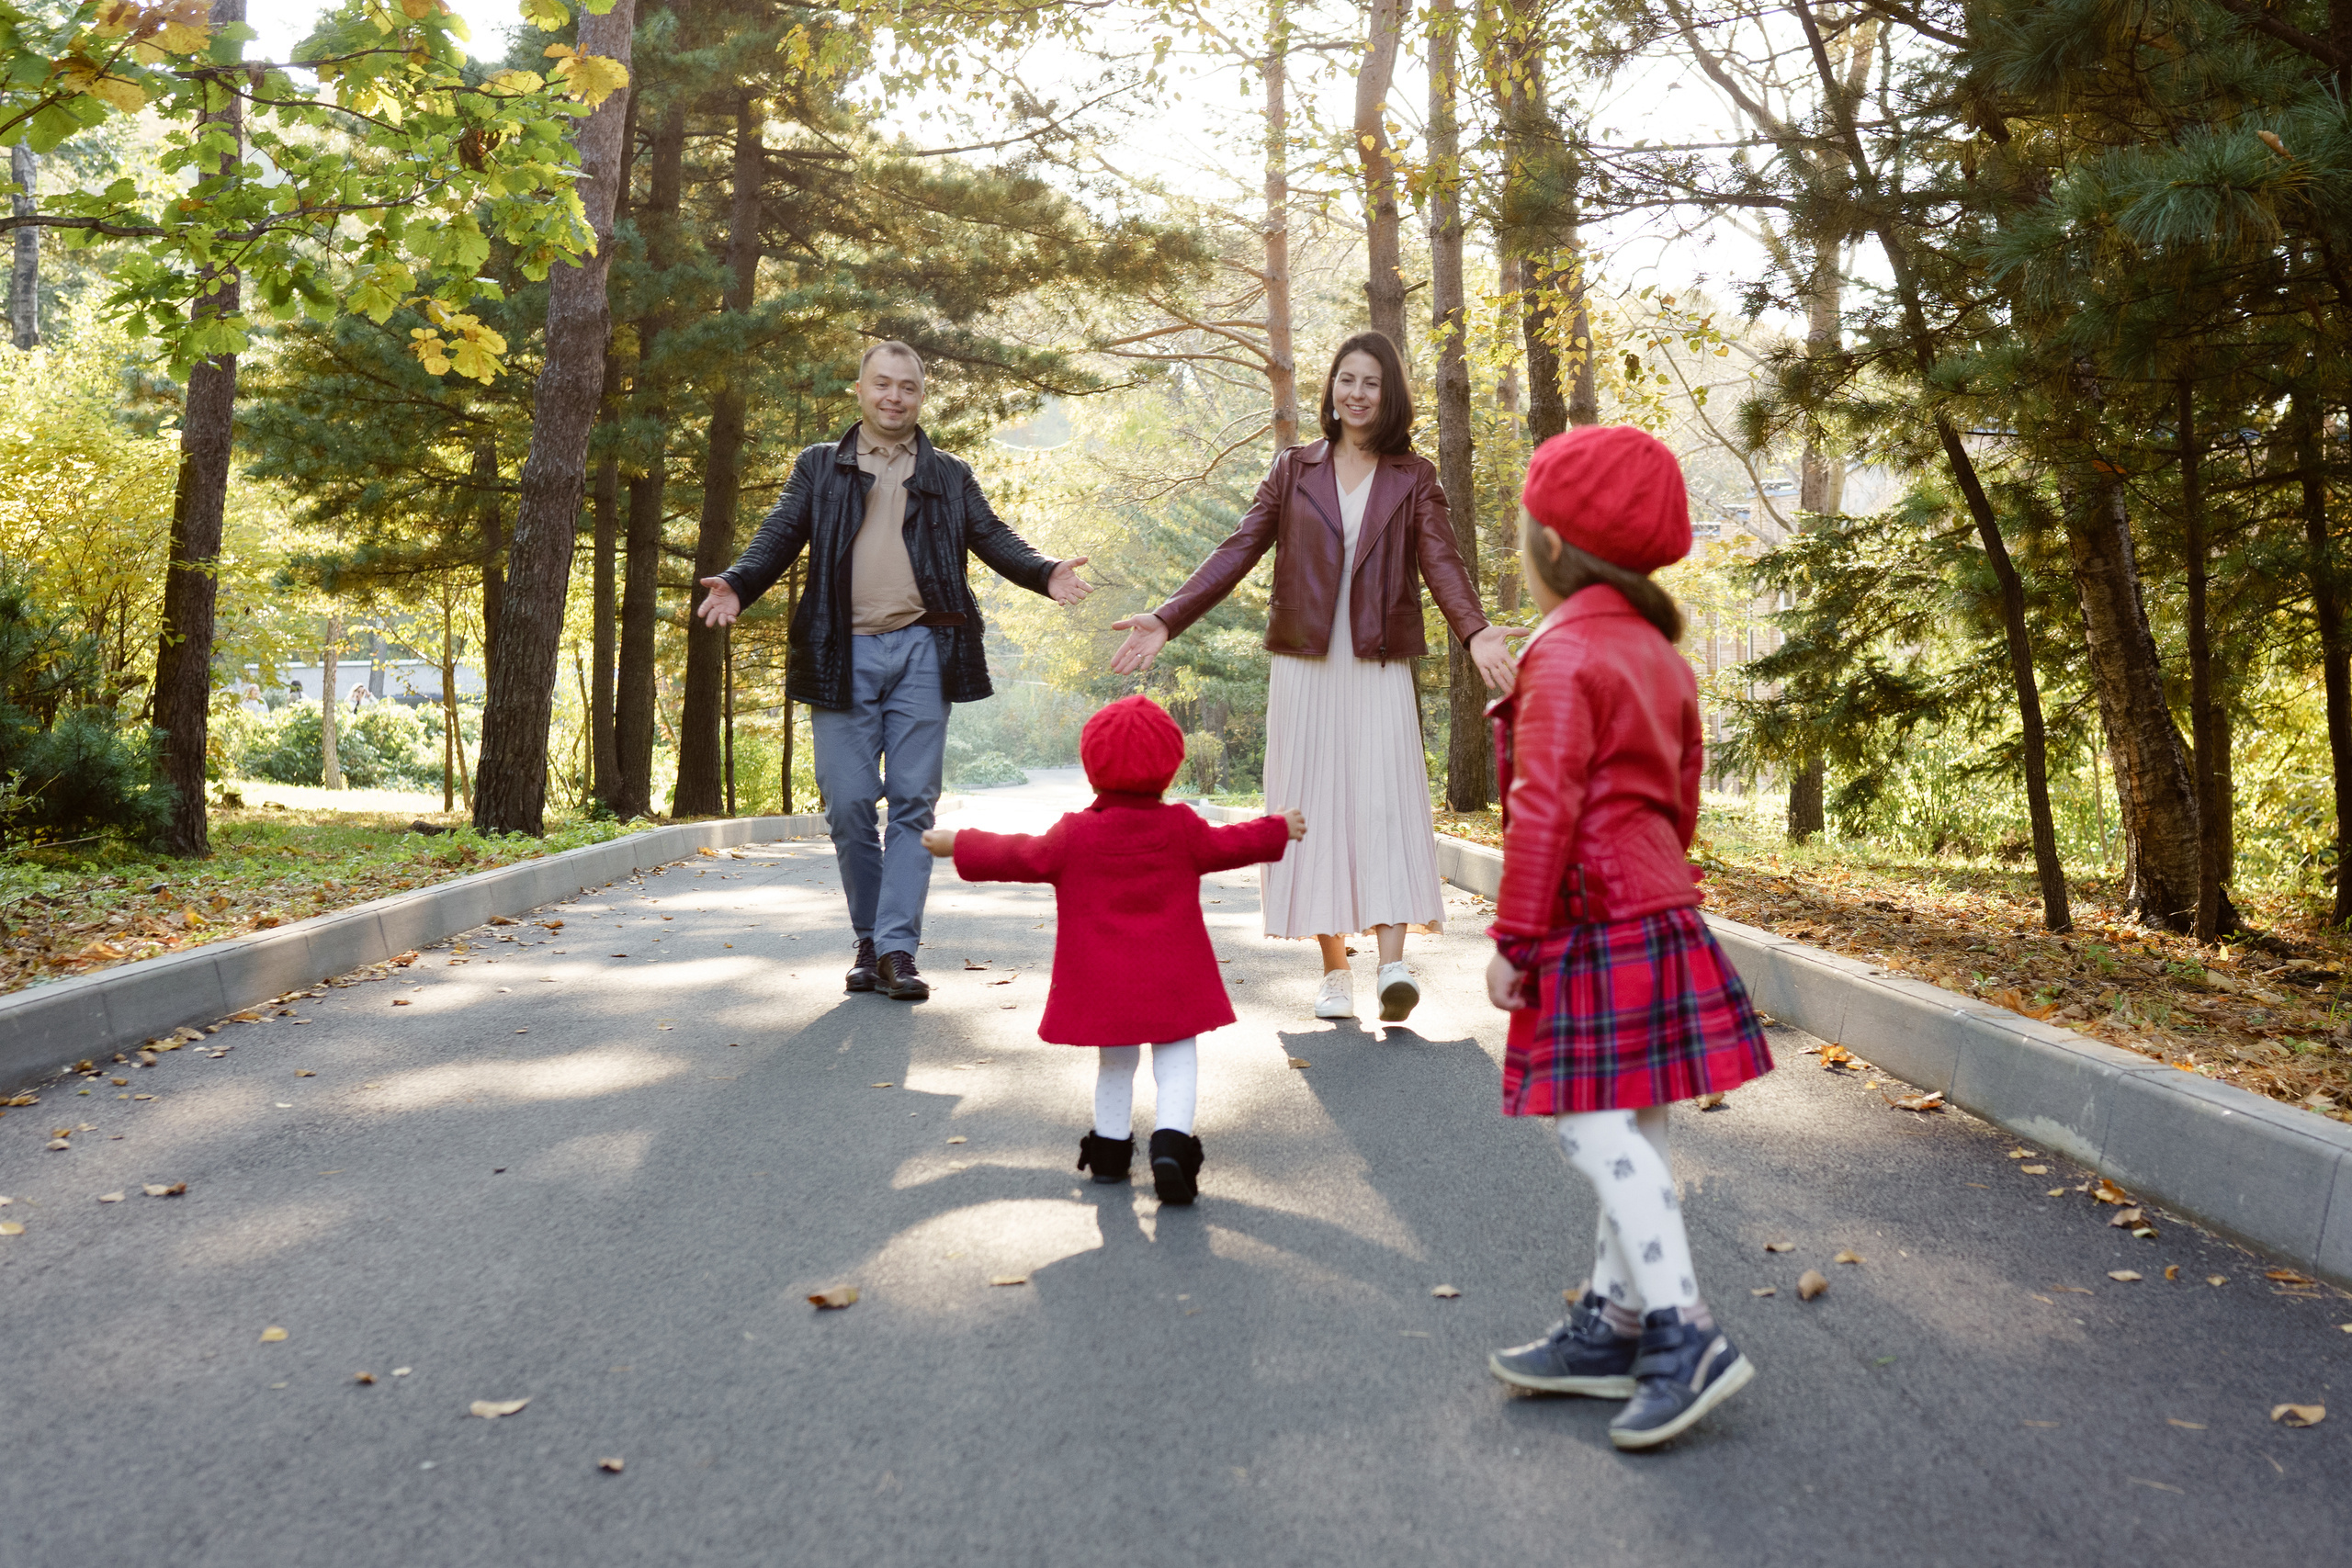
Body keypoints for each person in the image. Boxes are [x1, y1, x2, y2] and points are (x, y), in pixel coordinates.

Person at [1479, 425, 1775, 1451]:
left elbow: (1542, 807)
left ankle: (1683, 1329)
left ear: (1552, 547)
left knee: (1586, 1125)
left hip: (1592, 914)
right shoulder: (1657, 652)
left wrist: (1516, 942)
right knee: (1636, 1119)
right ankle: (1611, 1327)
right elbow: (1681, 798)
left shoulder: (1561, 651)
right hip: (1657, 905)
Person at [1108, 331, 1517, 1023]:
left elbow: (1442, 563)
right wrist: (1168, 617)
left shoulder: (1413, 476)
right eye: (1346, 380)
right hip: (1303, 664)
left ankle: (1392, 963)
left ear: (1390, 396)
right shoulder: (1293, 469)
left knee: (1384, 800)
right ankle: (1334, 971)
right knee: (1310, 807)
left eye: (1371, 383)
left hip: (1377, 662)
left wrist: (1475, 631)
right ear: (1331, 389)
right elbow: (1236, 549)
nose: (1356, 394)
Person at [696, 340, 1092, 1001]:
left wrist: (1043, 570)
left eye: (907, 387)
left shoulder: (947, 472)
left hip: (921, 650)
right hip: (840, 653)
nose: (894, 397)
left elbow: (993, 536)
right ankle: (870, 938)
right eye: (882, 383)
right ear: (858, 389)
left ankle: (895, 949)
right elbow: (779, 530)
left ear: (921, 397)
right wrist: (739, 582)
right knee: (849, 803)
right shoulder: (821, 466)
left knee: (913, 804)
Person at [921, 695, 1301, 1204]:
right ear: (1170, 767)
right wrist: (1277, 827)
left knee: (1116, 1064)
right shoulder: (1182, 828)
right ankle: (1170, 1145)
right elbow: (1230, 843)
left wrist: (958, 842)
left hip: (1105, 982)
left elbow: (1020, 853)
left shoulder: (1073, 834)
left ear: (1091, 768)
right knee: (1177, 1059)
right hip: (1174, 977)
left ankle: (1110, 1150)